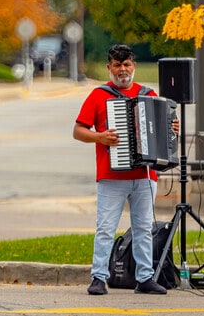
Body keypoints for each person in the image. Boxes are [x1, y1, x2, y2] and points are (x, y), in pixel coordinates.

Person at [73, 44, 179, 296]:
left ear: (134, 66)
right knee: (105, 228)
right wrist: (100, 137)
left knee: (143, 228)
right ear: (109, 67)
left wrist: (172, 128)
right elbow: (78, 131)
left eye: (127, 64)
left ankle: (144, 278)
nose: (123, 70)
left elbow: (165, 134)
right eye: (117, 65)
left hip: (144, 176)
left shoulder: (149, 94)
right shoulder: (99, 95)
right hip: (112, 176)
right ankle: (99, 277)